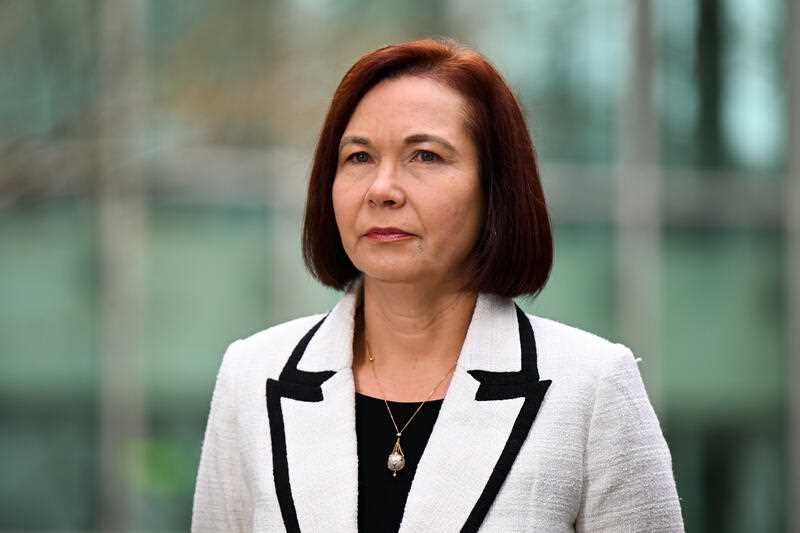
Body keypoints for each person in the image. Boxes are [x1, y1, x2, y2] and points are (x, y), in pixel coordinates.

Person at [191, 38, 684, 532]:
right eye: (358, 157)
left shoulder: (591, 387)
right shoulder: (252, 376)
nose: (382, 189)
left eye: (424, 156)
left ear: (495, 190)